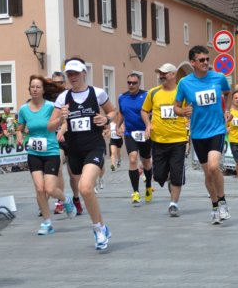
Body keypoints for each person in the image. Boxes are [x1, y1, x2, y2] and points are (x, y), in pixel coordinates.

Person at [47, 58, 116, 252]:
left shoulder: (97, 93)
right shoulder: (63, 98)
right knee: (83, 189)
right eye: (69, 74)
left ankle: (97, 230)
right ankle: (103, 226)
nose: (72, 77)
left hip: (94, 146)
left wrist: (106, 119)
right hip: (74, 150)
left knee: (85, 188)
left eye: (76, 73)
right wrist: (60, 119)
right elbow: (50, 126)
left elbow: (113, 112)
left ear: (84, 73)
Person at [174, 45, 231, 224]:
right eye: (202, 60)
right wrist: (183, 112)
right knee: (207, 173)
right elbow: (176, 107)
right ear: (193, 63)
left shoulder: (219, 77)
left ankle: (222, 202)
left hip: (217, 129)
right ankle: (214, 206)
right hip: (198, 133)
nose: (206, 62)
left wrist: (227, 110)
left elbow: (228, 92)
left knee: (214, 167)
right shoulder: (185, 83)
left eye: (207, 59)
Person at [17, 75, 76, 235]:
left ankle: (66, 199)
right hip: (33, 152)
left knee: (50, 189)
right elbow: (19, 126)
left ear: (43, 90)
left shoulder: (51, 107)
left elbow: (64, 121)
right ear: (29, 89)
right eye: (32, 87)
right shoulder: (23, 109)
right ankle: (47, 222)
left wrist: (61, 131)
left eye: (38, 87)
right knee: (40, 188)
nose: (35, 89)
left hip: (51, 152)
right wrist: (19, 134)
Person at [141, 63, 189, 217]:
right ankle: (168, 178)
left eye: (164, 73)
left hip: (178, 139)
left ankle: (173, 204)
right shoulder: (153, 92)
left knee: (176, 174)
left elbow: (191, 109)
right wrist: (148, 125)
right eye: (160, 73)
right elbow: (144, 110)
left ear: (173, 74)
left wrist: (188, 117)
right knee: (159, 176)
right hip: (158, 140)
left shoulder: (182, 92)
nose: (161, 76)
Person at [49, 71, 82, 216]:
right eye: (55, 82)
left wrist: (62, 130)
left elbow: (70, 118)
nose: (58, 85)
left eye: (61, 82)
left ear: (65, 83)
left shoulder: (70, 96)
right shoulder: (48, 98)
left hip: (72, 138)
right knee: (58, 168)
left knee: (73, 174)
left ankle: (76, 198)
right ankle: (60, 201)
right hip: (56, 139)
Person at [117, 73, 153, 206]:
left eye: (134, 83)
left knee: (146, 162)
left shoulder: (147, 95)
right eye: (129, 83)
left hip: (144, 133)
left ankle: (148, 186)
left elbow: (153, 112)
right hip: (130, 133)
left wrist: (150, 126)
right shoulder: (122, 97)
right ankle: (136, 192)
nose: (131, 85)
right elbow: (121, 113)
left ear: (139, 83)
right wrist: (118, 126)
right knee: (132, 159)